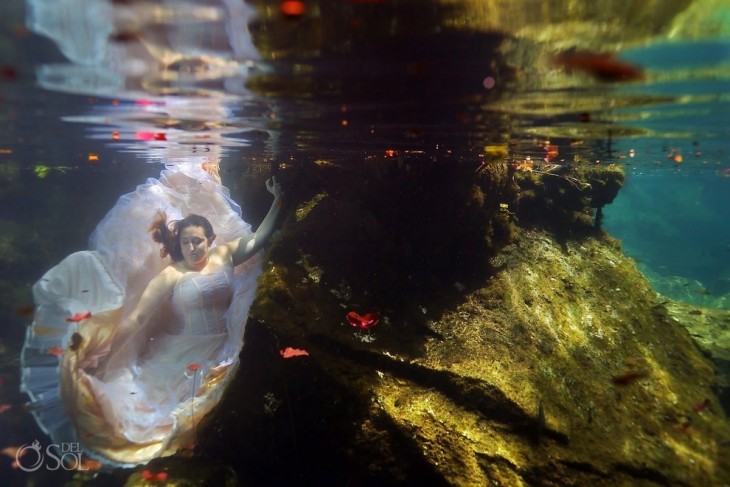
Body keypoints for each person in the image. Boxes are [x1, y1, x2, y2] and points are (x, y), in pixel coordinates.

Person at [21, 161, 282, 466]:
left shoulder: (225, 254)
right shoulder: (170, 275)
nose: (192, 248)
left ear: (210, 241)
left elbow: (260, 238)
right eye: (186, 243)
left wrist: (279, 199)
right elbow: (137, 319)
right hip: (181, 350)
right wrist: (106, 352)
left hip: (221, 342)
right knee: (148, 410)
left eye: (198, 241)